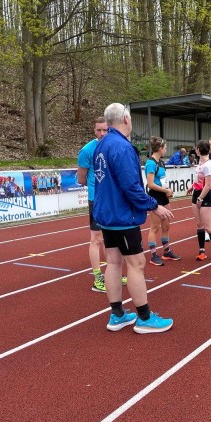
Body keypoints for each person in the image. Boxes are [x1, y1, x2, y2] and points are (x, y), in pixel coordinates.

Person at [93, 103, 174, 334]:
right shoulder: (122, 146)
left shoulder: (101, 145)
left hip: (107, 214)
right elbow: (131, 186)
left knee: (113, 262)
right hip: (122, 215)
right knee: (136, 264)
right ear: (126, 118)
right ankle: (145, 318)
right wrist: (154, 206)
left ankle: (117, 314)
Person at [77, 117, 127, 292]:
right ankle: (98, 278)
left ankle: (114, 272)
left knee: (112, 237)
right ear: (94, 130)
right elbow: (80, 178)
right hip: (96, 199)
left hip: (112, 198)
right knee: (96, 238)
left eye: (105, 130)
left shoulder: (114, 146)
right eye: (99, 130)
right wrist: (96, 187)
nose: (102, 133)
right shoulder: (87, 150)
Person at [144, 136, 181, 266]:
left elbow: (162, 181)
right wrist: (165, 191)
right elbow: (150, 184)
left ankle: (166, 251)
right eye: (165, 148)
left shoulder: (161, 162)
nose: (166, 150)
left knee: (166, 225)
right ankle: (153, 255)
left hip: (163, 196)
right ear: (160, 148)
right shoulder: (151, 163)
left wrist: (168, 190)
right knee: (155, 227)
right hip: (155, 197)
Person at [189, 139, 211, 262]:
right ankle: (202, 251)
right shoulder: (200, 163)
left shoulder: (208, 165)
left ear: (198, 150)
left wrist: (200, 198)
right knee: (199, 225)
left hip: (205, 196)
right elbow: (199, 180)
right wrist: (192, 186)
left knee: (208, 226)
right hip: (197, 194)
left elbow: (208, 185)